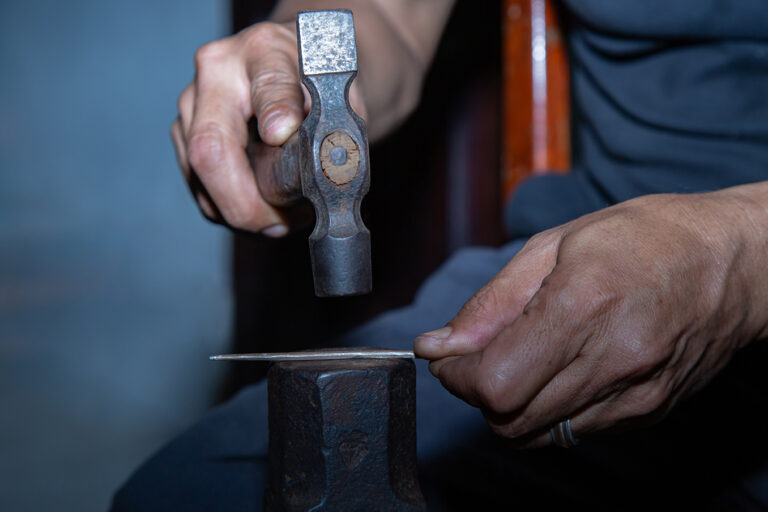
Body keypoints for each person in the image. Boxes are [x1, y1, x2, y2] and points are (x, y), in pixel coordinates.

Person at [114, 0, 768, 509]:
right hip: (586, 261)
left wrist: (741, 252)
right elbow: (386, 17)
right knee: (192, 492)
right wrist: (287, 73)